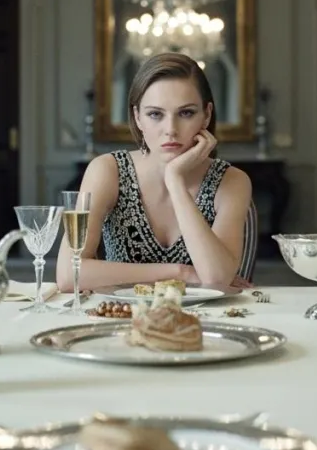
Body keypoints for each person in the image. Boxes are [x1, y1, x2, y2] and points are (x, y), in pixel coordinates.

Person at [57, 53, 254, 292]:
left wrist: (175, 180)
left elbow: (217, 279)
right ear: (137, 117)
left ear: (207, 115)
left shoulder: (232, 181)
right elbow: (69, 274)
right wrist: (180, 272)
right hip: (120, 313)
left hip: (206, 314)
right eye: (155, 114)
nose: (170, 129)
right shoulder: (108, 171)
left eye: (186, 113)